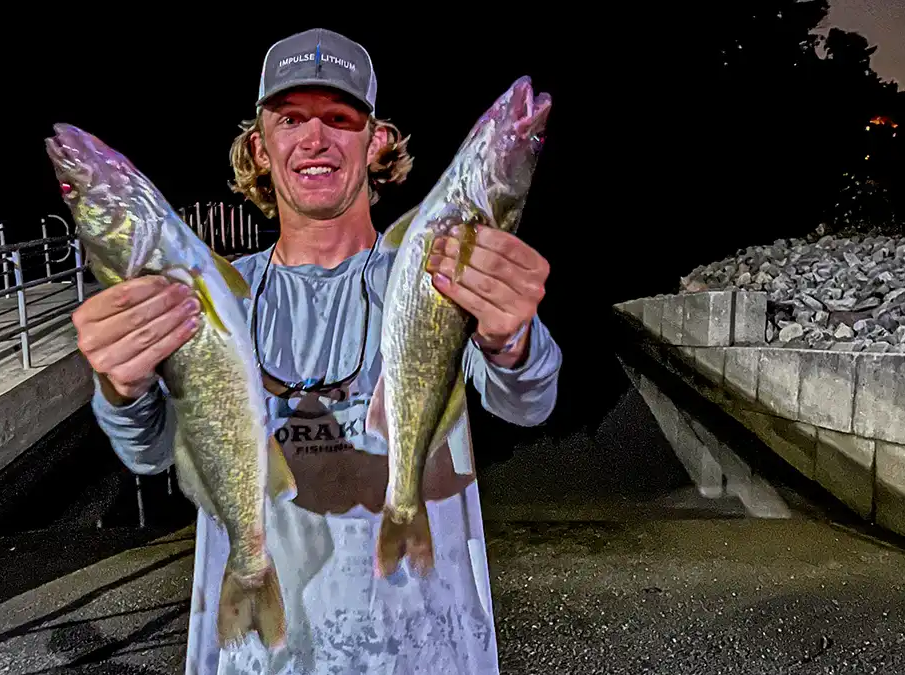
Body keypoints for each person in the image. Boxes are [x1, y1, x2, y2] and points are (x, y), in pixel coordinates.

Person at [73, 28, 562, 675]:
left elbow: (528, 398)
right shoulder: (216, 295)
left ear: (377, 139)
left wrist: (511, 338)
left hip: (424, 650)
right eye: (291, 118)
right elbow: (151, 449)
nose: (315, 139)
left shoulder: (433, 271)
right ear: (260, 145)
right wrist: (121, 388)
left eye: (339, 117)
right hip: (264, 654)